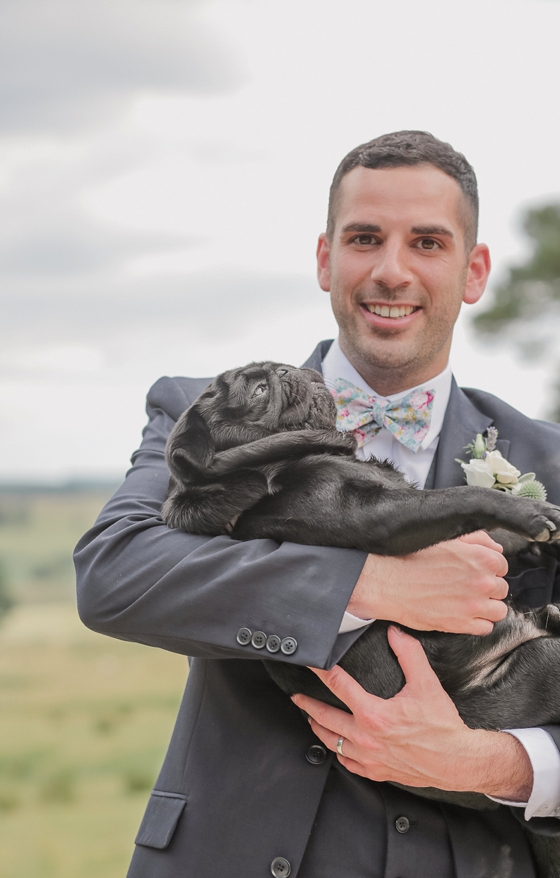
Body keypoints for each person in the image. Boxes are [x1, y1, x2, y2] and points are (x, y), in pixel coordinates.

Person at [74, 131, 560, 877]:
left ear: (474, 271)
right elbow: (116, 573)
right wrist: (368, 582)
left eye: (427, 242)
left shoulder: (546, 461)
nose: (391, 271)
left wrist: (491, 764)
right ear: (326, 258)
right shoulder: (204, 416)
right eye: (366, 239)